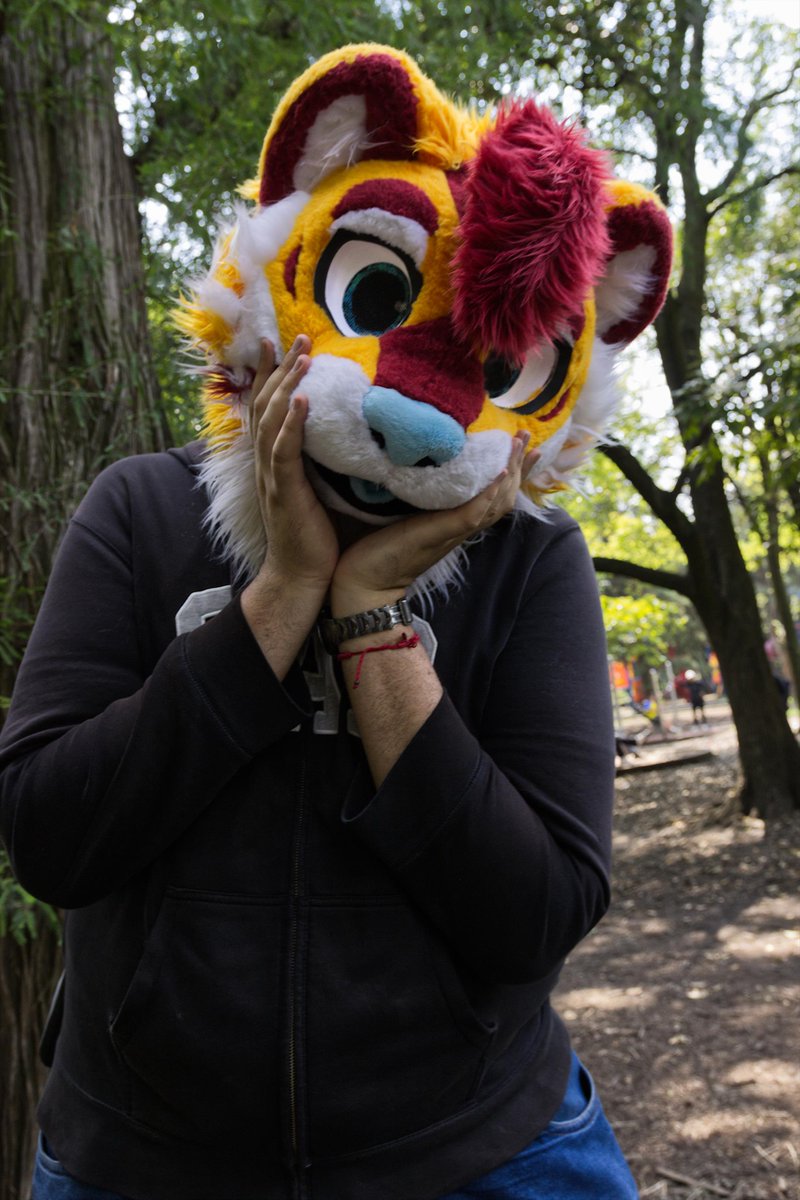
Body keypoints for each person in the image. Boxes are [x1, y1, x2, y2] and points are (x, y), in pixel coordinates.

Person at [0, 335, 639, 1199]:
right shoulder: (141, 505)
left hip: (479, 1145)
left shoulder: (529, 552)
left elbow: (540, 913)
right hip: (140, 1155)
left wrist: (369, 612)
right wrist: (287, 587)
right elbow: (50, 839)